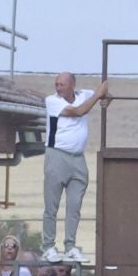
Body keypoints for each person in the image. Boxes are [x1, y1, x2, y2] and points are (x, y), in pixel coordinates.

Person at [43, 73, 107, 261]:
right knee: (51, 205)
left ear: (72, 85)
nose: (58, 87)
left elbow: (103, 94)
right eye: (56, 84)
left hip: (78, 158)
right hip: (57, 155)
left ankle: (70, 245)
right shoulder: (52, 101)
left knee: (74, 205)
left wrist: (104, 98)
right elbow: (78, 112)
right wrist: (98, 96)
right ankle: (48, 246)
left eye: (62, 84)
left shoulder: (84, 94)